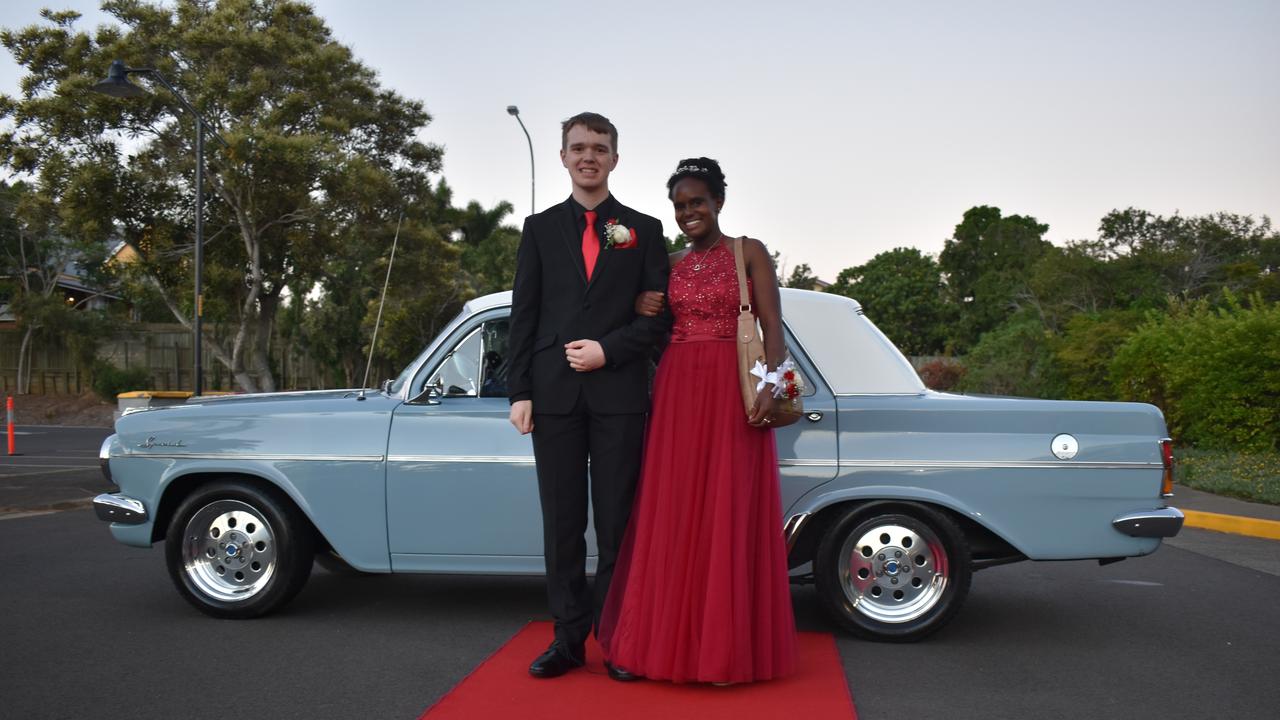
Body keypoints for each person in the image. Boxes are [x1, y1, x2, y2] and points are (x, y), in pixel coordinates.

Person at [598, 157, 798, 684]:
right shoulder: (669, 261)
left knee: (726, 508)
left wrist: (771, 388)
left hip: (732, 389)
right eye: (681, 205)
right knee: (675, 510)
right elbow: (654, 322)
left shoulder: (747, 252)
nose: (689, 212)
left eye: (697, 203)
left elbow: (773, 325)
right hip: (678, 388)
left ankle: (723, 650)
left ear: (718, 203)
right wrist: (643, 303)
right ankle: (662, 642)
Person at [506, 112, 670, 680]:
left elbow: (656, 319)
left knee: (619, 524)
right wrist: (519, 390)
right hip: (551, 398)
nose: (588, 156)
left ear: (614, 159)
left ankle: (619, 640)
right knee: (562, 523)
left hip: (620, 395)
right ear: (563, 157)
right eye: (578, 147)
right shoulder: (540, 228)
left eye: (599, 148)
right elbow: (523, 316)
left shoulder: (643, 230)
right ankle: (568, 640)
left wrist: (609, 349)